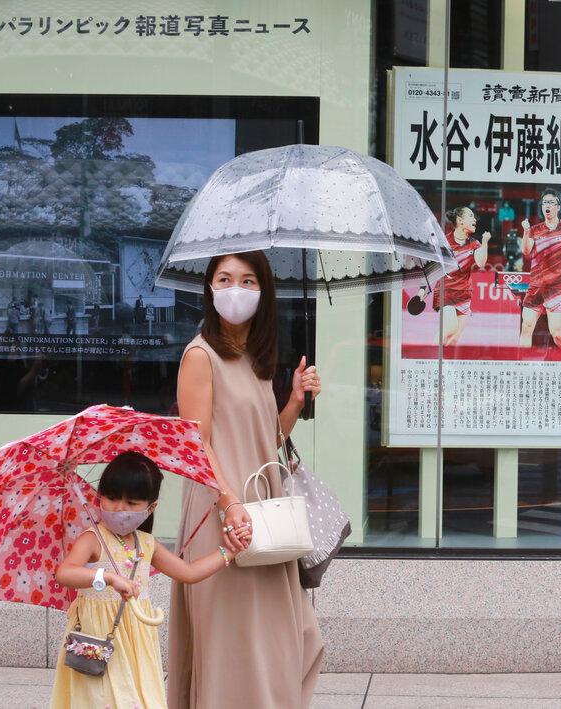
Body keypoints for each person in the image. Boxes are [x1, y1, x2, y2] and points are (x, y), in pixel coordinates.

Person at [170, 250, 323, 708]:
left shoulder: (255, 358)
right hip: (223, 515)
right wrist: (229, 504)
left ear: (264, 291)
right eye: (224, 278)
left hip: (265, 515)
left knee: (288, 638)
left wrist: (294, 400)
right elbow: (196, 444)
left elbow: (263, 440)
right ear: (210, 288)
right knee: (232, 645)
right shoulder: (200, 355)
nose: (235, 289)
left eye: (248, 280)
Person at [51, 452, 236, 709]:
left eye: (132, 502)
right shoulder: (93, 538)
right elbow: (65, 573)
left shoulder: (146, 543)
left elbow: (189, 572)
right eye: (112, 498)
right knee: (101, 699)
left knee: (136, 697)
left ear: (151, 507)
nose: (120, 509)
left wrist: (229, 552)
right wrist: (107, 577)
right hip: (98, 637)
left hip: (136, 639)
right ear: (98, 496)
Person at [518, 188, 561, 349]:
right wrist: (526, 232)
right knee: (526, 327)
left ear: (558, 206)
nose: (547, 205)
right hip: (536, 285)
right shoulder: (534, 230)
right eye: (545, 202)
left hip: (556, 287)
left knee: (556, 332)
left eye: (551, 202)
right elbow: (526, 252)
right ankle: (522, 367)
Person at [418, 206, 490, 347]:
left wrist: (485, 243)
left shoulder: (475, 244)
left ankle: (444, 366)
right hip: (446, 291)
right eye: (470, 216)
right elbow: (431, 268)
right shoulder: (444, 242)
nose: (475, 219)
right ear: (460, 220)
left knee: (454, 340)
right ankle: (430, 357)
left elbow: (481, 263)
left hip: (464, 294)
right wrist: (422, 290)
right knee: (450, 327)